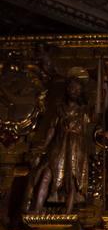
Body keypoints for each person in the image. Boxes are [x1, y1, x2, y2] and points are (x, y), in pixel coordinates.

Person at [31, 77, 92, 214]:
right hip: (59, 144)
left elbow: (94, 120)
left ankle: (68, 212)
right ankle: (36, 209)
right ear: (67, 89)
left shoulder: (83, 110)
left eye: (77, 89)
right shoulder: (60, 109)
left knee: (72, 178)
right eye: (72, 87)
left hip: (75, 146)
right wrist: (45, 145)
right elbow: (52, 128)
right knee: (47, 174)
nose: (74, 91)